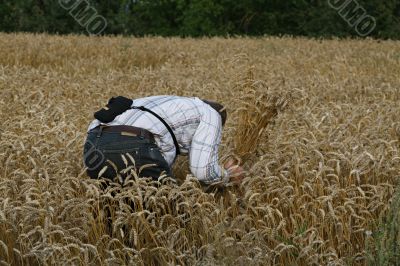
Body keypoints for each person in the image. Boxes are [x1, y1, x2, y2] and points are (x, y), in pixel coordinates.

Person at [83, 95, 244, 186]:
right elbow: (203, 172)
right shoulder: (212, 114)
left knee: (114, 209)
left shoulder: (172, 103)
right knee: (171, 213)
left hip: (92, 144)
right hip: (133, 143)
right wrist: (227, 175)